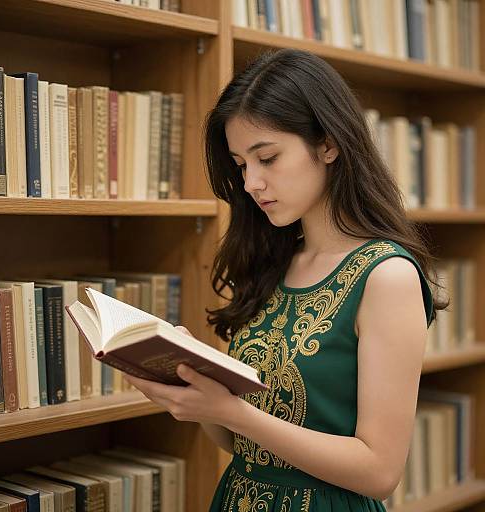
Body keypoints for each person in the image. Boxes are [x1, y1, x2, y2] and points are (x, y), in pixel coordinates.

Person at [124, 49, 446, 511]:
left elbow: (380, 472)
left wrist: (232, 412)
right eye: (240, 165)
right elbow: (247, 444)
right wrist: (196, 394)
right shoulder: (274, 263)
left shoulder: (386, 275)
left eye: (268, 158)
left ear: (329, 144)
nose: (252, 182)